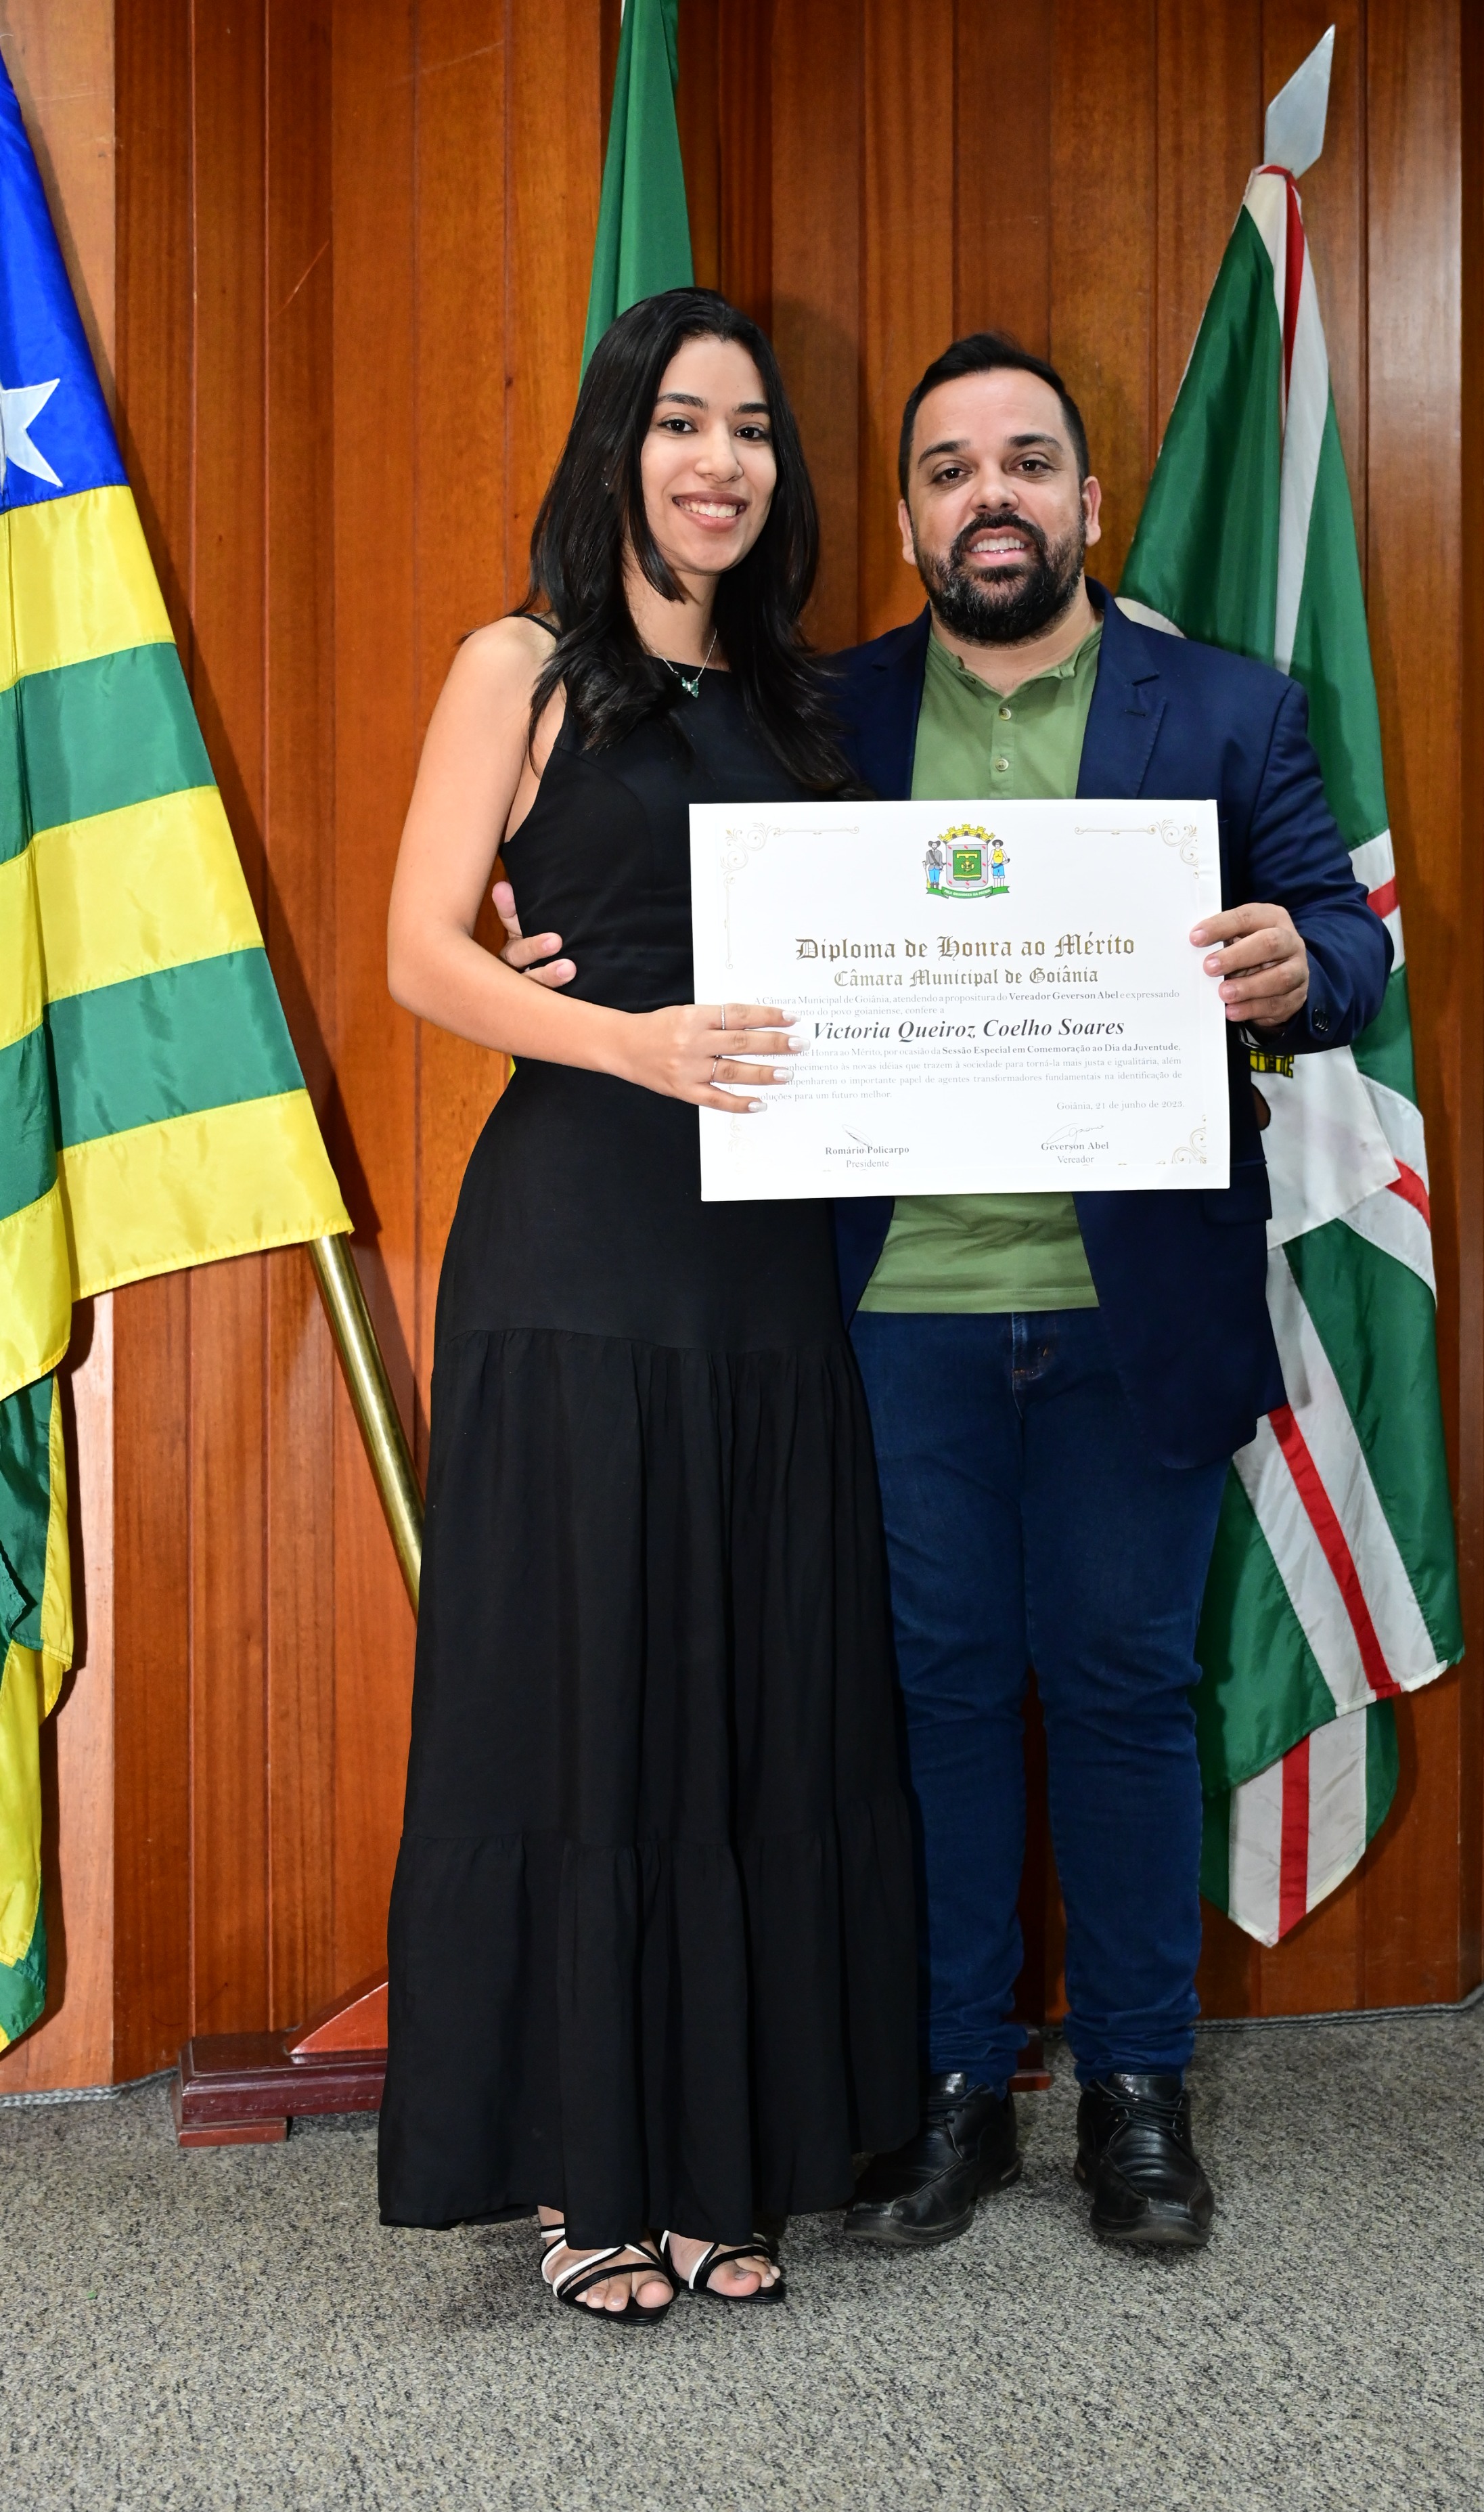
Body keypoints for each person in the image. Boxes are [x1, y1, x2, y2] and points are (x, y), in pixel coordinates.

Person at [499, 330, 1390, 2259]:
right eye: (950, 469)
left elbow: (1346, 940)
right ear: (907, 519)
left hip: (1133, 1305)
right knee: (934, 1695)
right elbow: (662, 874)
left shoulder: (1226, 710)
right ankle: (959, 2086)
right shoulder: (819, 710)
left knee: (1126, 1689)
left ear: (1088, 499)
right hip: (884, 1309)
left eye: (1028, 463)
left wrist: (1292, 963)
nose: (992, 497)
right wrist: (525, 908)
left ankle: (1137, 2094)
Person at [379, 287, 917, 2323]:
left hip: (768, 1265)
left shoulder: (800, 706)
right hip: (579, 1241)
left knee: (747, 1694)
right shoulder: (515, 667)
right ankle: (580, 2176)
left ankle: (719, 2160)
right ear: (618, 445)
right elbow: (422, 952)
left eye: (753, 430)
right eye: (684, 421)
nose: (721, 460)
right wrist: (632, 1043)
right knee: (585, 1697)